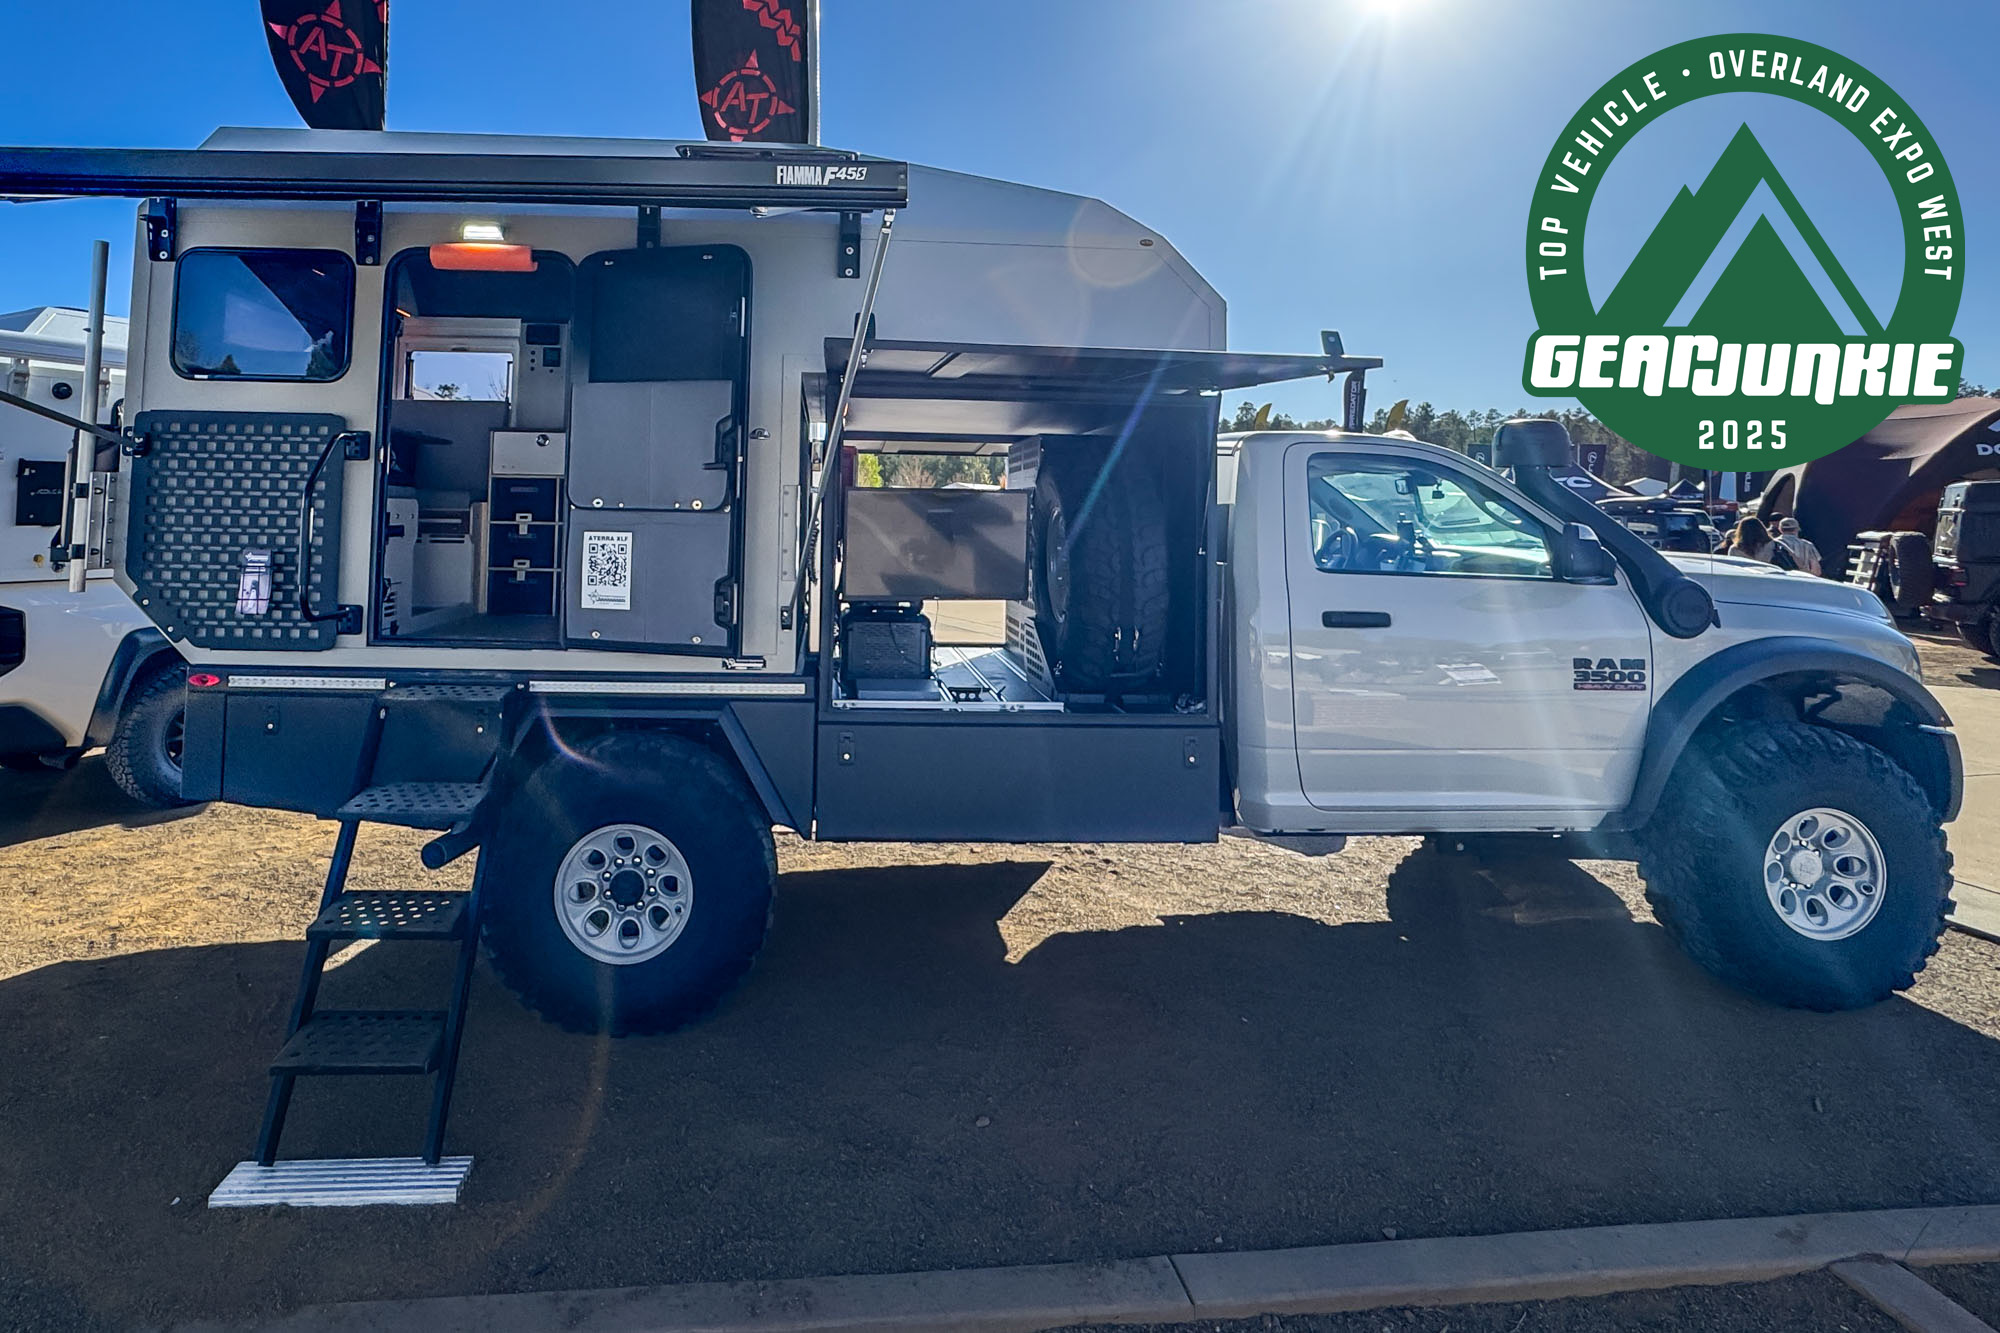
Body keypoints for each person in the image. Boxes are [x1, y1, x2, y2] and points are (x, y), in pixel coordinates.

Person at [1728, 517, 1797, 570]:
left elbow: (1732, 567)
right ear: (1762, 529)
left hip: (1746, 581)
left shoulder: (1734, 549)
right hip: (1772, 578)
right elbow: (1793, 558)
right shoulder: (1774, 545)